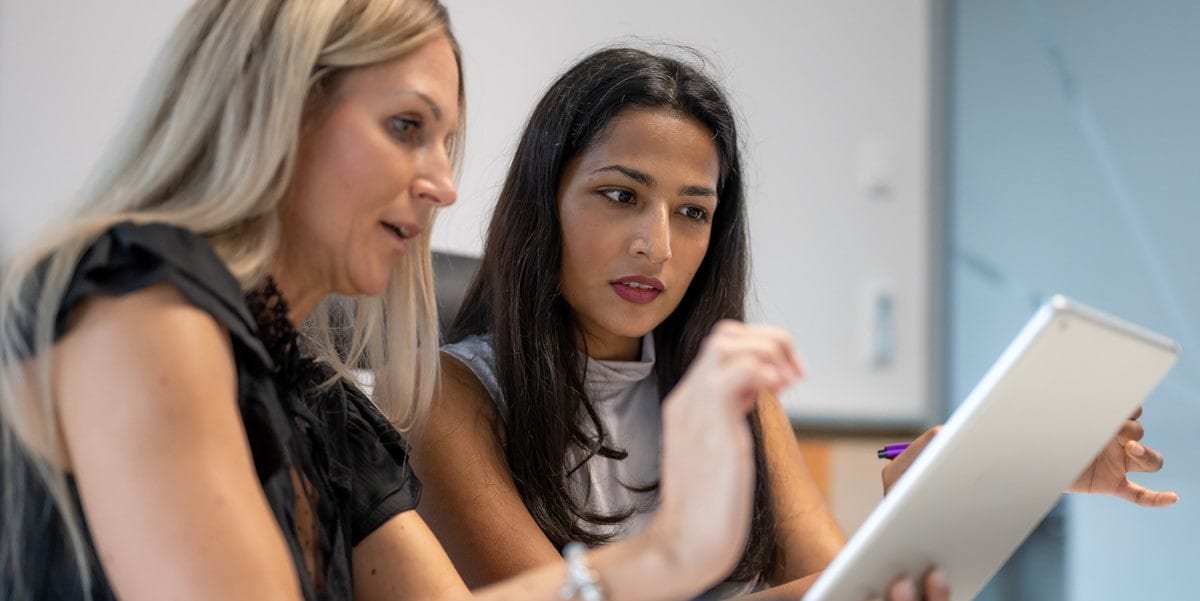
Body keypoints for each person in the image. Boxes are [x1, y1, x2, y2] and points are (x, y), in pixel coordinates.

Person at [0, 4, 800, 601]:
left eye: (444, 143)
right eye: (406, 126)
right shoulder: (145, 304)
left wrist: (671, 554)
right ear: (279, 112)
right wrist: (668, 555)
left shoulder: (322, 409)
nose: (443, 184)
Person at [407, 47, 1177, 601]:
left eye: (693, 211)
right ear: (544, 202)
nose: (659, 244)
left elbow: (837, 579)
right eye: (620, 195)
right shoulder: (452, 397)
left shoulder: (728, 386)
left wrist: (994, 477)